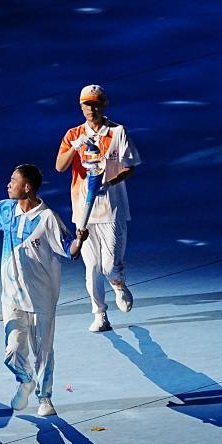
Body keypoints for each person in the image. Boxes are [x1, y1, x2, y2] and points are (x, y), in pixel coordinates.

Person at [0, 152, 86, 416]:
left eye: (14, 180)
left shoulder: (47, 218)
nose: (8, 184)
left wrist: (80, 241)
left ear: (27, 187)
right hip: (12, 297)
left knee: (43, 352)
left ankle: (45, 398)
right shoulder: (7, 210)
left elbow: (69, 250)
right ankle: (25, 381)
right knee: (12, 350)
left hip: (41, 299)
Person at [55, 84, 142, 332]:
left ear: (104, 104)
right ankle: (100, 314)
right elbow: (60, 166)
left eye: (95, 104)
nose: (91, 109)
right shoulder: (73, 134)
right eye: (87, 104)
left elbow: (130, 166)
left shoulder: (117, 132)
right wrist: (75, 146)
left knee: (109, 266)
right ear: (81, 106)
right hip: (83, 211)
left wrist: (111, 182)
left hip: (111, 209)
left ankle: (118, 283)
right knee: (92, 267)